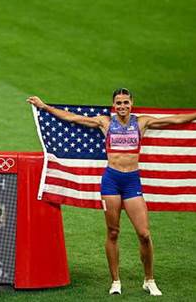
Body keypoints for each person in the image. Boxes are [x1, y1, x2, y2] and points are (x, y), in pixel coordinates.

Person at [27, 88, 196, 296]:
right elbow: (73, 118)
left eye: (126, 102)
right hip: (111, 182)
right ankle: (115, 281)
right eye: (119, 103)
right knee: (113, 232)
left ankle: (149, 279)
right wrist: (44, 107)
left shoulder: (142, 122)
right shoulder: (105, 123)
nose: (122, 106)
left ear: (131, 103)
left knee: (144, 234)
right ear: (113, 106)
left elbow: (176, 120)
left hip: (132, 182)